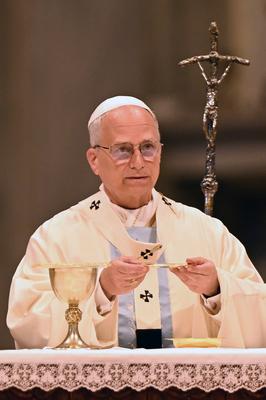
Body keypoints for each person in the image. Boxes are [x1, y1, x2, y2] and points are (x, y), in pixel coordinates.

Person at [7, 96, 266, 349]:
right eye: (123, 150)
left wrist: (216, 288)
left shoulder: (207, 231)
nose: (138, 162)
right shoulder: (57, 236)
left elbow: (259, 310)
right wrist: (102, 290)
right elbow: (27, 320)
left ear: (160, 152)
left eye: (148, 147)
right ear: (94, 160)